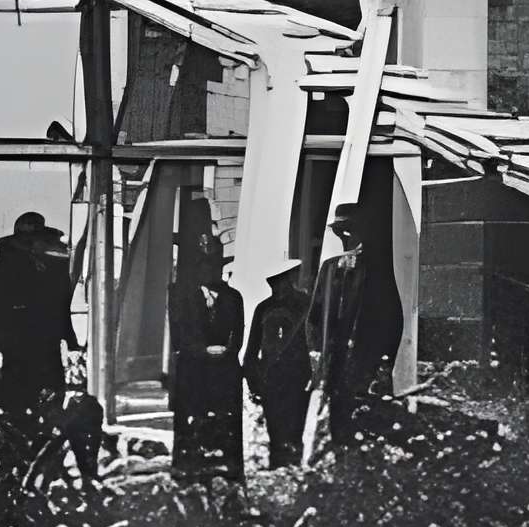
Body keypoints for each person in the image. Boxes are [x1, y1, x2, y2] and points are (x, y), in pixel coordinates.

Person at [307, 197, 405, 457]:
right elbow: (314, 317)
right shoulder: (329, 269)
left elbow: (392, 318)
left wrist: (384, 364)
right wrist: (318, 354)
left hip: (365, 364)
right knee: (333, 426)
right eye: (341, 232)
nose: (346, 237)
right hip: (334, 365)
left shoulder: (379, 271)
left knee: (366, 427)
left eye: (351, 231)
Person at [0, 211, 76, 436]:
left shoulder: (51, 261)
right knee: (22, 386)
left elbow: (62, 300)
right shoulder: (12, 260)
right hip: (22, 336)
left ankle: (34, 424)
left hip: (36, 335)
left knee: (35, 385)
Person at [166, 230, 246, 482]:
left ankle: (229, 470)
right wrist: (202, 351)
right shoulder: (182, 298)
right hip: (194, 370)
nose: (208, 271)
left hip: (223, 371)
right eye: (203, 265)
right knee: (191, 424)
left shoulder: (234, 297)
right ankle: (189, 471)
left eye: (213, 266)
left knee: (227, 425)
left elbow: (238, 334)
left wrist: (226, 351)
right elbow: (178, 334)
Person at [243, 260, 315, 470]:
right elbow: (251, 351)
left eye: (280, 282)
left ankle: (292, 470)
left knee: (295, 432)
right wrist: (254, 382)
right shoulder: (264, 308)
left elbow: (316, 342)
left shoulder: (306, 305)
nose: (277, 287)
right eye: (273, 283)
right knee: (276, 433)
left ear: (289, 279)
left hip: (298, 378)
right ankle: (279, 469)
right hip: (272, 379)